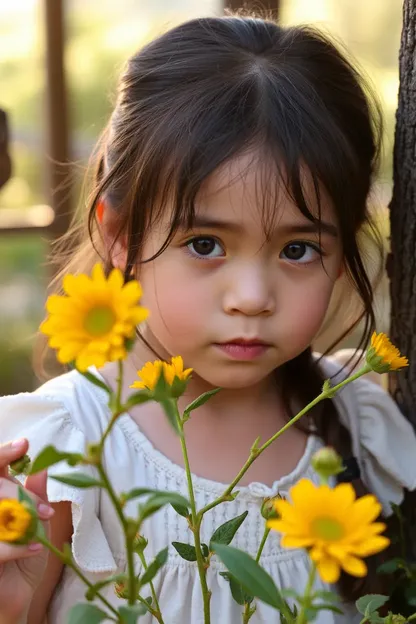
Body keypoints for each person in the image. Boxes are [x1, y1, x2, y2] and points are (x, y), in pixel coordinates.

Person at [0, 15, 415, 624]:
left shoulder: (359, 425)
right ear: (120, 234)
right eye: (205, 244)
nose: (251, 297)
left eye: (298, 250)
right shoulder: (68, 452)